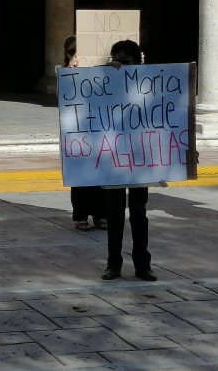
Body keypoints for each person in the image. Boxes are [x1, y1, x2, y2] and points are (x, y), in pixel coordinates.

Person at [100, 40, 156, 282]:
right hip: (112, 156)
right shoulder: (103, 82)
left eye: (126, 62)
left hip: (139, 157)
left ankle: (142, 264)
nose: (121, 67)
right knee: (113, 213)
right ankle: (113, 263)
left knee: (138, 212)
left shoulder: (151, 84)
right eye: (117, 61)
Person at [64, 35, 105, 231]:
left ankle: (101, 214)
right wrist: (71, 71)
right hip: (78, 132)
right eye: (74, 52)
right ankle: (80, 215)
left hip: (100, 129)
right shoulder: (64, 72)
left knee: (101, 174)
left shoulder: (101, 72)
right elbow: (62, 97)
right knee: (80, 176)